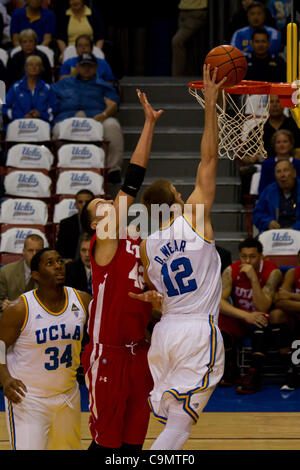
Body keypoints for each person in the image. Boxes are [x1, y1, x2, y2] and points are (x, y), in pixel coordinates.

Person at [129, 65, 226, 451]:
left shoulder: (146, 244)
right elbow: (209, 159)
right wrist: (211, 106)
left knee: (173, 423)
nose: (187, 190)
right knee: (179, 429)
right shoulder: (196, 217)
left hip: (164, 334)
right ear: (175, 200)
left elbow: (155, 294)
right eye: (179, 189)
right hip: (196, 332)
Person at [79, 89, 163, 451]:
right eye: (101, 205)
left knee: (133, 443)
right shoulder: (105, 242)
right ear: (94, 224)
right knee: (106, 444)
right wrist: (147, 126)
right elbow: (131, 182)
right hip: (109, 353)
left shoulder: (139, 241)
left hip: (138, 352)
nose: (107, 204)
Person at [0, 248, 91, 450]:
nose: (58, 265)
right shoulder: (20, 309)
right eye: (49, 263)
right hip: (29, 399)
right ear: (36, 275)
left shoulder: (82, 300)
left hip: (68, 396)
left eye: (60, 261)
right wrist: (5, 378)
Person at [218, 237, 282, 393]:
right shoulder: (231, 270)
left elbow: (263, 306)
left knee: (260, 320)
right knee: (219, 319)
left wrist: (254, 278)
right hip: (243, 318)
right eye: (243, 256)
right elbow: (217, 302)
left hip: (262, 318)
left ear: (261, 256)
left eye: (252, 256)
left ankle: (254, 374)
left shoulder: (273, 272)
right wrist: (244, 315)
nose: (247, 260)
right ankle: (230, 367)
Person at [52, 52, 123, 185]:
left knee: (113, 125)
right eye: (83, 66)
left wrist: (104, 115)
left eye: (90, 66)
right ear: (77, 67)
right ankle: (62, 167)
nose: (86, 69)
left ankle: (113, 170)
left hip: (96, 119)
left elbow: (112, 104)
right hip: (68, 118)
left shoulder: (103, 85)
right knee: (57, 130)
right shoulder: (64, 83)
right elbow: (49, 99)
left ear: (96, 68)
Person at [2, 55, 57, 125]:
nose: (34, 67)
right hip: (18, 125)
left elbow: (54, 109)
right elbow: (4, 108)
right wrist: (21, 116)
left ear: (41, 68)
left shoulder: (47, 88)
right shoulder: (15, 87)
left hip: (41, 125)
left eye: (37, 65)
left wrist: (41, 114)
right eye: (31, 65)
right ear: (26, 68)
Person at [273, 249, 300, 390]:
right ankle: (290, 369)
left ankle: (293, 374)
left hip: (295, 312)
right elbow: (281, 299)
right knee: (277, 313)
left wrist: (292, 296)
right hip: (295, 317)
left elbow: (287, 295)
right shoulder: (293, 273)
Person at [252, 160, 300, 233]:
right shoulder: (269, 191)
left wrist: (294, 228)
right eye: (278, 171)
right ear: (275, 176)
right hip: (274, 234)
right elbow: (257, 214)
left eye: (286, 170)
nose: (282, 175)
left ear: (294, 173)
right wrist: (268, 222)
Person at [0, 233, 44, 312]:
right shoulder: (6, 272)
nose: (34, 254)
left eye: (38, 251)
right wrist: (2, 304)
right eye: (30, 250)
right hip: (13, 317)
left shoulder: (50, 274)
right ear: (23, 252)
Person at [55, 189, 94, 263]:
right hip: (71, 264)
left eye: (87, 202)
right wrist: (64, 260)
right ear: (75, 205)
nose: (84, 205)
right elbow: (59, 249)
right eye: (80, 202)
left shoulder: (101, 223)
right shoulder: (65, 224)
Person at [171, 0, 208, 76]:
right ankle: (187, 77)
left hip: (196, 12)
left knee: (177, 41)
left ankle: (176, 78)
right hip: (183, 12)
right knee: (188, 46)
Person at [258, 130, 300, 194]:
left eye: (285, 141)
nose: (282, 145)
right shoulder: (267, 164)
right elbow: (262, 188)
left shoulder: (298, 164)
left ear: (291, 144)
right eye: (278, 142)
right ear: (274, 145)